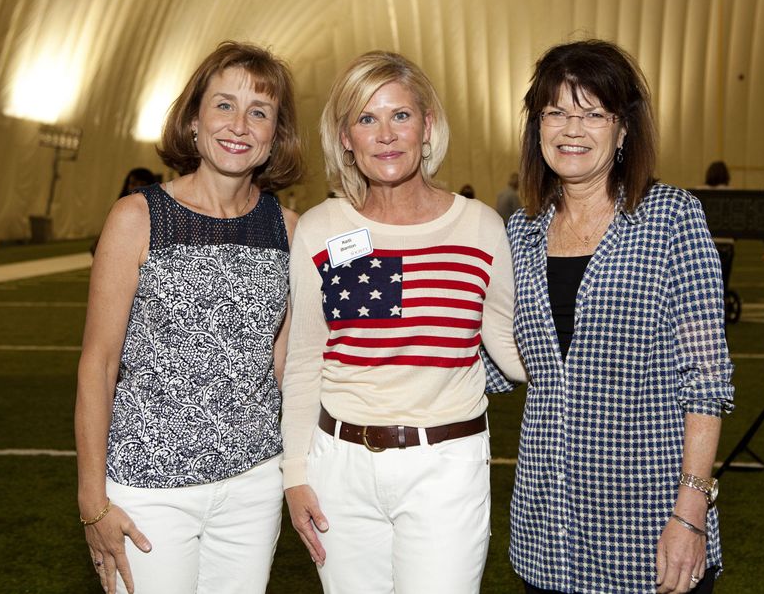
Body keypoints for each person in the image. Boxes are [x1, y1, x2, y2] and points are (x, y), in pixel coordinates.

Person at [488, 40, 734, 594]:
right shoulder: (520, 233)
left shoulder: (671, 218)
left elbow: (707, 378)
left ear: (623, 131)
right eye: (556, 112)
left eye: (593, 113)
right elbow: (502, 364)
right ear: (537, 128)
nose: (572, 129)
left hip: (649, 531)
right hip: (546, 535)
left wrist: (691, 511)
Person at [282, 50, 525, 594]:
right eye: (367, 119)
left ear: (427, 126)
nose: (386, 135)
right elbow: (304, 360)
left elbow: (511, 347)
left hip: (447, 467)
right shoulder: (321, 228)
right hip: (339, 467)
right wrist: (295, 475)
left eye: (400, 115)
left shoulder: (481, 227)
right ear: (345, 137)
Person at [75, 40, 304, 594]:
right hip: (149, 487)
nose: (239, 125)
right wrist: (91, 499)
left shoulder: (289, 229)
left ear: (275, 135)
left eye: (259, 112)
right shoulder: (137, 217)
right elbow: (98, 364)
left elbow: (285, 368)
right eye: (224, 105)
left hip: (253, 486)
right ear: (194, 120)